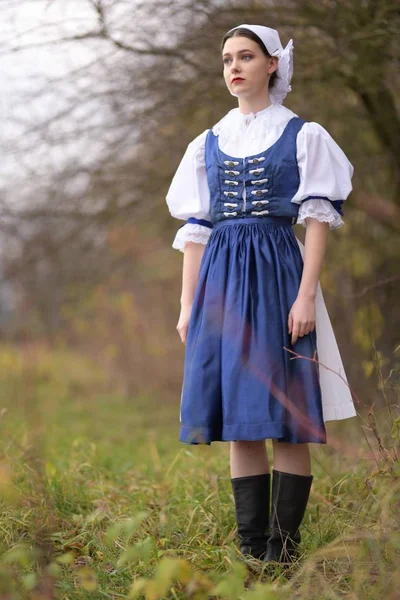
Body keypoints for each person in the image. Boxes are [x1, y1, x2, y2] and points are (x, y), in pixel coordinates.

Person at [165, 24, 357, 566]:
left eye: (246, 56)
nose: (234, 67)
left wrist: (306, 296)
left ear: (273, 64)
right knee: (239, 420)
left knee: (286, 416)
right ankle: (252, 553)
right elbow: (196, 232)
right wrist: (187, 305)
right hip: (221, 283)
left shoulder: (304, 134)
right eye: (227, 59)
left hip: (278, 274)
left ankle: (284, 552)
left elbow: (317, 220)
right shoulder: (206, 143)